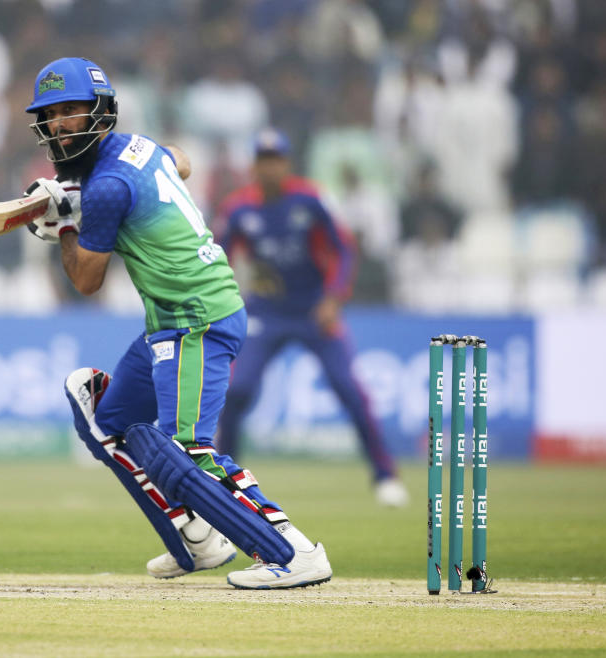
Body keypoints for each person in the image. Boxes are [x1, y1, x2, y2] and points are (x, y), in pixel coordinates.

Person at [22, 57, 332, 589]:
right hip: (171, 323)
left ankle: (293, 551)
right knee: (101, 413)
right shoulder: (138, 147)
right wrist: (74, 203)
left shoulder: (106, 188)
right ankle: (198, 541)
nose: (58, 125)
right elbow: (181, 161)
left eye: (71, 111)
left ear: (100, 112)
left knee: (186, 449)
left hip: (196, 322)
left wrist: (60, 225)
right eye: (49, 115)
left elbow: (87, 282)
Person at [216, 128, 409, 507]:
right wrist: (228, 301)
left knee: (349, 390)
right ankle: (225, 482)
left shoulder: (311, 198)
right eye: (263, 161)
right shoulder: (239, 208)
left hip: (314, 310)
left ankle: (385, 475)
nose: (270, 169)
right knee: (237, 391)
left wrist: (334, 298)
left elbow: (344, 250)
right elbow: (218, 257)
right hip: (266, 311)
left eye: (277, 161)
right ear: (254, 166)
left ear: (286, 164)